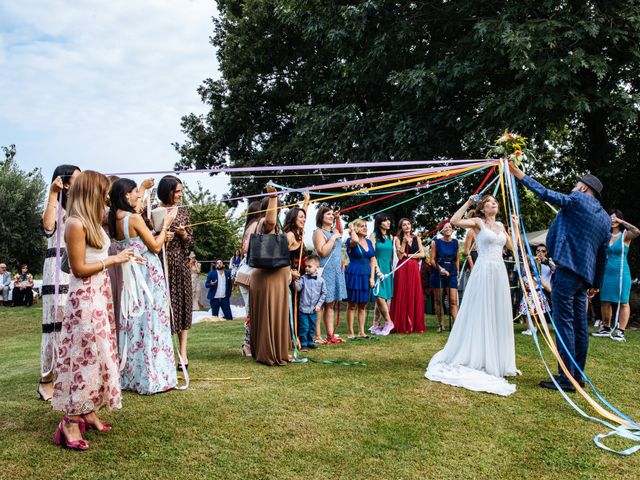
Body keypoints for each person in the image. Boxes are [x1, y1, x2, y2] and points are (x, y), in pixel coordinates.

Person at [510, 162, 610, 392]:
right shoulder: (605, 218)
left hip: (566, 272)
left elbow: (546, 193)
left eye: (577, 184)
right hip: (584, 277)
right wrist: (595, 283)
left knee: (564, 324)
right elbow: (603, 255)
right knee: (579, 326)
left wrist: (520, 175)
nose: (574, 187)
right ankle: (577, 376)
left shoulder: (577, 199)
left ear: (584, 188)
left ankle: (566, 379)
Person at [51, 171, 132, 450]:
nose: (107, 197)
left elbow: (119, 218)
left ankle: (87, 408)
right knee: (85, 357)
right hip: (84, 299)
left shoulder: (93, 221)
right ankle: (70, 421)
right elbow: (78, 269)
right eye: (103, 192)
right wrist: (114, 260)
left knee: (99, 355)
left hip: (100, 295)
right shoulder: (74, 223)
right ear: (90, 192)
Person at [425, 195, 518, 396]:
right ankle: (477, 355)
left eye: (495, 202)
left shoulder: (501, 225)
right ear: (482, 208)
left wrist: (516, 227)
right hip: (483, 270)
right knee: (481, 310)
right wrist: (468, 202)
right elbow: (455, 221)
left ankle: (496, 358)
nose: (494, 204)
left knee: (497, 312)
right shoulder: (477, 223)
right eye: (489, 202)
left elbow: (512, 247)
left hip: (499, 272)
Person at [109, 178, 178, 394]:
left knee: (134, 323)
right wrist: (166, 224)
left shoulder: (113, 218)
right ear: (126, 195)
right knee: (152, 321)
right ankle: (153, 376)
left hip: (129, 275)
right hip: (147, 274)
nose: (138, 196)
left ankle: (132, 375)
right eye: (134, 192)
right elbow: (156, 247)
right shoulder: (134, 218)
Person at [38, 164, 81, 402]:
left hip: (75, 264)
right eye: (77, 179)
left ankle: (68, 375)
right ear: (65, 183)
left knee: (72, 321)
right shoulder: (56, 206)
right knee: (54, 323)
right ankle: (46, 378)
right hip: (56, 269)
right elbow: (47, 227)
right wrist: (52, 194)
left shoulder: (78, 208)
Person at [249, 185, 291, 366]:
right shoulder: (264, 224)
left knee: (268, 313)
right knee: (271, 313)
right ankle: (270, 353)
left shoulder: (254, 224)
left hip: (269, 277)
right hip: (269, 277)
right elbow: (271, 223)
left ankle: (263, 349)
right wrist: (273, 198)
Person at [157, 175, 193, 370]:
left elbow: (190, 243)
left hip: (181, 266)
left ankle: (183, 354)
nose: (180, 195)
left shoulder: (183, 212)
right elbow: (149, 239)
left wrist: (183, 234)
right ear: (167, 191)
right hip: (162, 266)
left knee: (183, 307)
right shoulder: (153, 211)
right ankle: (165, 352)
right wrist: (163, 237)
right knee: (166, 308)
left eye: (180, 191)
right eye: (176, 191)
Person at [592, 210, 639, 342]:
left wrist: (622, 222)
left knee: (623, 302)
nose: (613, 220)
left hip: (621, 273)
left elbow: (637, 232)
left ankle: (620, 331)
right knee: (605, 301)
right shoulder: (605, 236)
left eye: (615, 218)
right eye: (610, 218)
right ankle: (606, 328)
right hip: (606, 273)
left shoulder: (625, 235)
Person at [312, 206, 347, 344]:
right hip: (325, 271)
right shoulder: (318, 232)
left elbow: (340, 233)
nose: (331, 216)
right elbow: (322, 252)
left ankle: (330, 335)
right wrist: (332, 238)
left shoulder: (335, 231)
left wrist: (338, 218)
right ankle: (317, 336)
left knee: (330, 304)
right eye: (328, 214)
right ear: (321, 216)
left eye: (333, 214)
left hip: (336, 271)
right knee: (320, 304)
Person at [236, 200, 263, 357]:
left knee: (252, 310)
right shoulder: (255, 226)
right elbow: (248, 250)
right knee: (252, 310)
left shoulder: (249, 227)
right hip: (249, 272)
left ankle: (252, 343)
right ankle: (247, 344)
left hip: (248, 271)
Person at [390, 218, 425, 334]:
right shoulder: (397, 239)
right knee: (402, 293)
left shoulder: (417, 238)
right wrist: (404, 242)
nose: (407, 226)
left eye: (408, 224)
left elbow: (422, 254)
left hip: (413, 268)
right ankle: (402, 324)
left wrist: (408, 254)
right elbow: (400, 257)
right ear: (401, 227)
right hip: (402, 268)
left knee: (414, 293)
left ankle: (415, 324)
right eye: (404, 225)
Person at [345, 219, 376, 339]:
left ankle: (361, 332)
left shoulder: (369, 241)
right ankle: (351, 332)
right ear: (356, 228)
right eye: (362, 226)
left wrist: (372, 277)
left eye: (366, 226)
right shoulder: (350, 241)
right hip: (354, 273)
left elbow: (373, 260)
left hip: (366, 275)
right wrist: (351, 229)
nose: (365, 228)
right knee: (352, 304)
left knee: (363, 304)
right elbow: (356, 240)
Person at [430, 222, 459, 331]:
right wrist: (441, 269)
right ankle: (441, 325)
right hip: (438, 272)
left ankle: (456, 325)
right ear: (441, 230)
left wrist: (457, 272)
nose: (448, 228)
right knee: (438, 299)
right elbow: (432, 260)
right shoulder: (436, 243)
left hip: (452, 272)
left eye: (450, 227)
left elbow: (457, 259)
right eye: (445, 227)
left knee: (453, 300)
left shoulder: (456, 242)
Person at [294, 255, 327, 351]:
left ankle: (310, 342)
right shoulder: (303, 278)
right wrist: (295, 282)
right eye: (306, 266)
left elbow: (324, 293)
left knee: (312, 327)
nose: (307, 268)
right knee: (304, 327)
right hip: (303, 309)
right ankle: (303, 344)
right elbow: (298, 288)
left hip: (314, 309)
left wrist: (318, 305)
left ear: (317, 267)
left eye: (309, 266)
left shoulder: (321, 281)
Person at [369, 214, 394, 336]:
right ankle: (389, 322)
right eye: (385, 221)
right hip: (377, 268)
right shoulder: (373, 236)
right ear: (379, 223)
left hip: (388, 269)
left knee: (383, 298)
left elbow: (392, 256)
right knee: (378, 296)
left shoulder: (391, 236)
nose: (388, 222)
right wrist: (377, 271)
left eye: (388, 220)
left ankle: (376, 325)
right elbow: (372, 255)